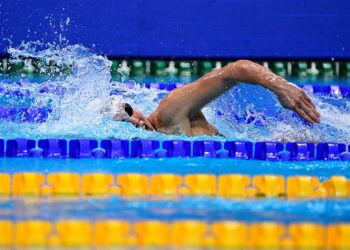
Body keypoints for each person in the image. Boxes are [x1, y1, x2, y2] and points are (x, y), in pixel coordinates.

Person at [113, 60, 321, 136]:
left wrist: (280, 85)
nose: (133, 121)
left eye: (128, 111)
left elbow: (235, 70)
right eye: (124, 123)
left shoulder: (169, 111)